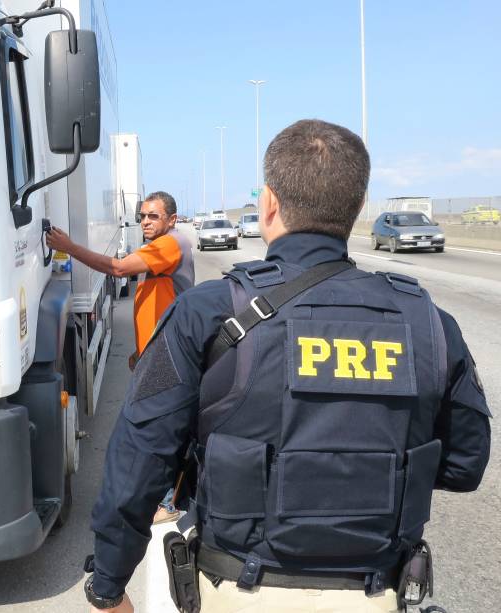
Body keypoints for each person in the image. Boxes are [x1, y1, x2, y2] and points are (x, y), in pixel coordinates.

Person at [82, 119, 491, 613]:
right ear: (358, 207)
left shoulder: (210, 313)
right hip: (376, 590)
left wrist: (107, 586)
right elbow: (464, 467)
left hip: (238, 589)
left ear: (269, 203)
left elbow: (139, 461)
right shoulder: (427, 322)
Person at [46, 191, 194, 525]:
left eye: (153, 216)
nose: (145, 221)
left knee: (163, 429)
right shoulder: (158, 246)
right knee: (154, 428)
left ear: (171, 219)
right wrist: (140, 349)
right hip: (156, 353)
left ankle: (170, 503)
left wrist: (67, 247)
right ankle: (160, 496)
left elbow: (117, 268)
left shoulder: (171, 244)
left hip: (169, 357)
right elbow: (156, 300)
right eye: (142, 215)